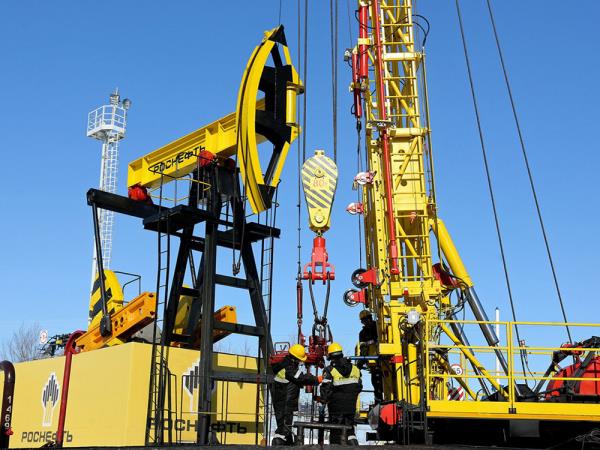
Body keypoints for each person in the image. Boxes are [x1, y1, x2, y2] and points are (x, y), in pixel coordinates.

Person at [271, 344, 319, 445]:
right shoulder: (289, 368)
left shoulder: (284, 364)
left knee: (285, 427)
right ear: (295, 358)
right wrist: (317, 379)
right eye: (300, 360)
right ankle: (279, 442)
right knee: (284, 428)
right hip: (285, 402)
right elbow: (301, 378)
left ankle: (286, 441)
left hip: (283, 401)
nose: (301, 362)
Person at [321, 342, 362, 445]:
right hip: (351, 407)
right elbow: (359, 387)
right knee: (350, 430)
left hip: (336, 409)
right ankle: (353, 445)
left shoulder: (329, 370)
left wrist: (323, 401)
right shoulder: (355, 369)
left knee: (336, 432)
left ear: (330, 356)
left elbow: (326, 390)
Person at [358, 310, 383, 402]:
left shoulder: (380, 326)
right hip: (374, 362)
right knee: (376, 384)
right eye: (365, 320)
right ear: (362, 322)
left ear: (371, 318)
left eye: (368, 319)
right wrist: (360, 363)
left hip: (383, 360)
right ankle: (378, 401)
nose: (367, 321)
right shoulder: (362, 333)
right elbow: (363, 349)